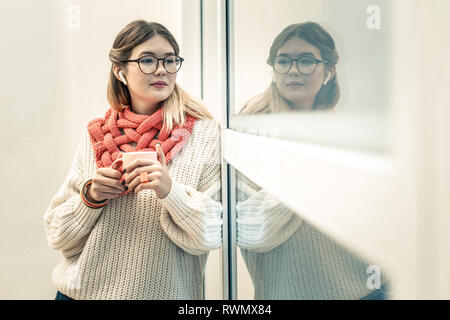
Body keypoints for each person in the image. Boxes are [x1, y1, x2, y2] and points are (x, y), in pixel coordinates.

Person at [44, 20, 223, 300]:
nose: (162, 69)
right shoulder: (97, 135)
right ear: (120, 70)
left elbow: (211, 235)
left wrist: (169, 190)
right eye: (148, 60)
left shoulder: (204, 134)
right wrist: (91, 197)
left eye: (170, 60)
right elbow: (58, 235)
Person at [236, 22, 390, 299]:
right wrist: (312, 176)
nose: (294, 70)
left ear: (328, 71)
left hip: (365, 291)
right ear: (273, 69)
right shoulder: (250, 131)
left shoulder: (343, 134)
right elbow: (253, 230)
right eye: (284, 61)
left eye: (306, 61)